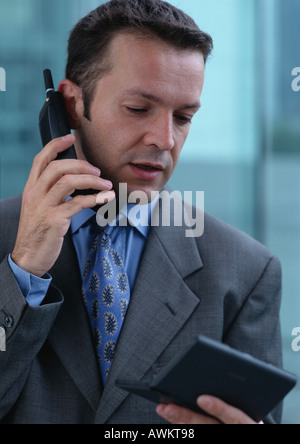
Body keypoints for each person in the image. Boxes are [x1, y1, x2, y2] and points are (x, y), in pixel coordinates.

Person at [0, 0, 282, 424]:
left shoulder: (245, 271)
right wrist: (22, 273)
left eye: (184, 117)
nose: (165, 139)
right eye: (138, 109)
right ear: (71, 105)